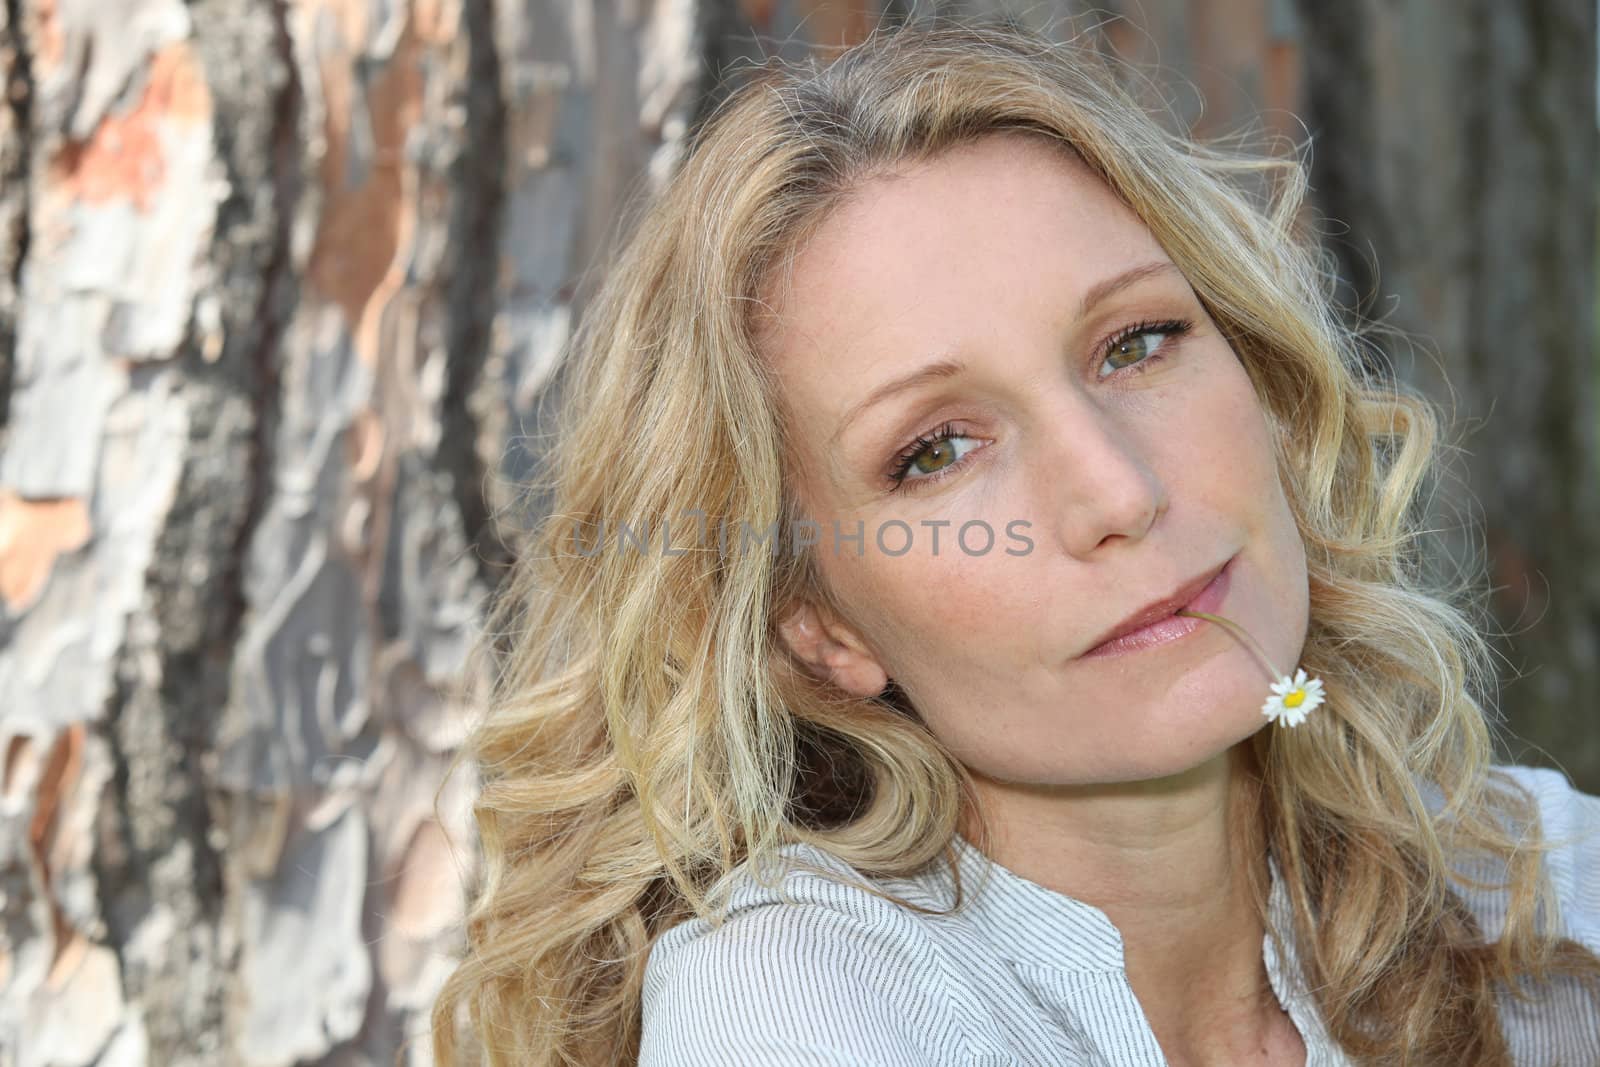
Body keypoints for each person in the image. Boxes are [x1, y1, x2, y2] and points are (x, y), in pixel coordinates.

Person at [427, 17, 1600, 1067]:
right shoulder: (792, 1004)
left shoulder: (1534, 885)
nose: (1117, 490)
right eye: (935, 449)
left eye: (1135, 343)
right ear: (817, 628)